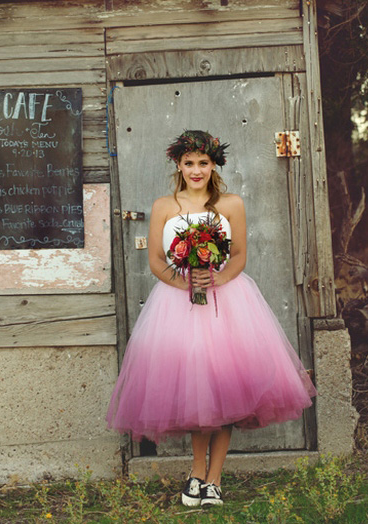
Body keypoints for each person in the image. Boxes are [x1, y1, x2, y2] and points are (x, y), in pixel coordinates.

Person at [106, 130, 316, 507]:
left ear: (214, 164)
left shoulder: (231, 204)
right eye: (189, 163)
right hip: (178, 303)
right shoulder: (164, 206)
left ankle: (214, 479)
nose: (196, 170)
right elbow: (156, 259)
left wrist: (216, 278)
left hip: (228, 303)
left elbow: (238, 255)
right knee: (195, 392)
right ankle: (196, 471)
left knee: (224, 389)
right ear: (178, 165)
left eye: (203, 163)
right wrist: (182, 280)